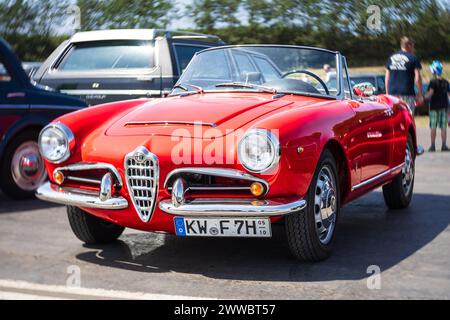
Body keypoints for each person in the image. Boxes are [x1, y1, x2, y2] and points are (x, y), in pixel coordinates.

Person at [385, 36, 424, 115]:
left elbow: (387, 77)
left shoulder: (391, 58)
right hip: (407, 93)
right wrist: (420, 94)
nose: (413, 48)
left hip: (392, 93)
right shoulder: (413, 58)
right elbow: (417, 78)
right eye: (413, 46)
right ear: (408, 46)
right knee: (408, 116)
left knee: (394, 117)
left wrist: (387, 93)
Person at [425, 61, 449, 152]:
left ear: (433, 71)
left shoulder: (433, 82)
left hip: (434, 107)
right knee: (443, 126)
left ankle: (433, 145)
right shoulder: (446, 82)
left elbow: (430, 93)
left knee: (433, 126)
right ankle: (444, 145)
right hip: (444, 107)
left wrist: (423, 97)